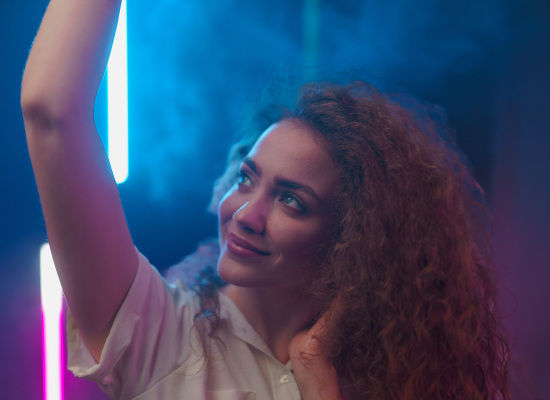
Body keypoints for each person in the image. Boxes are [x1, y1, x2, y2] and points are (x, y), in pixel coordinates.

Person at [21, 1, 510, 399]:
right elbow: (51, 112)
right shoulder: (160, 336)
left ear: (354, 243)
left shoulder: (381, 378)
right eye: (247, 178)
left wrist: (317, 377)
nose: (246, 215)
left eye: (291, 201)